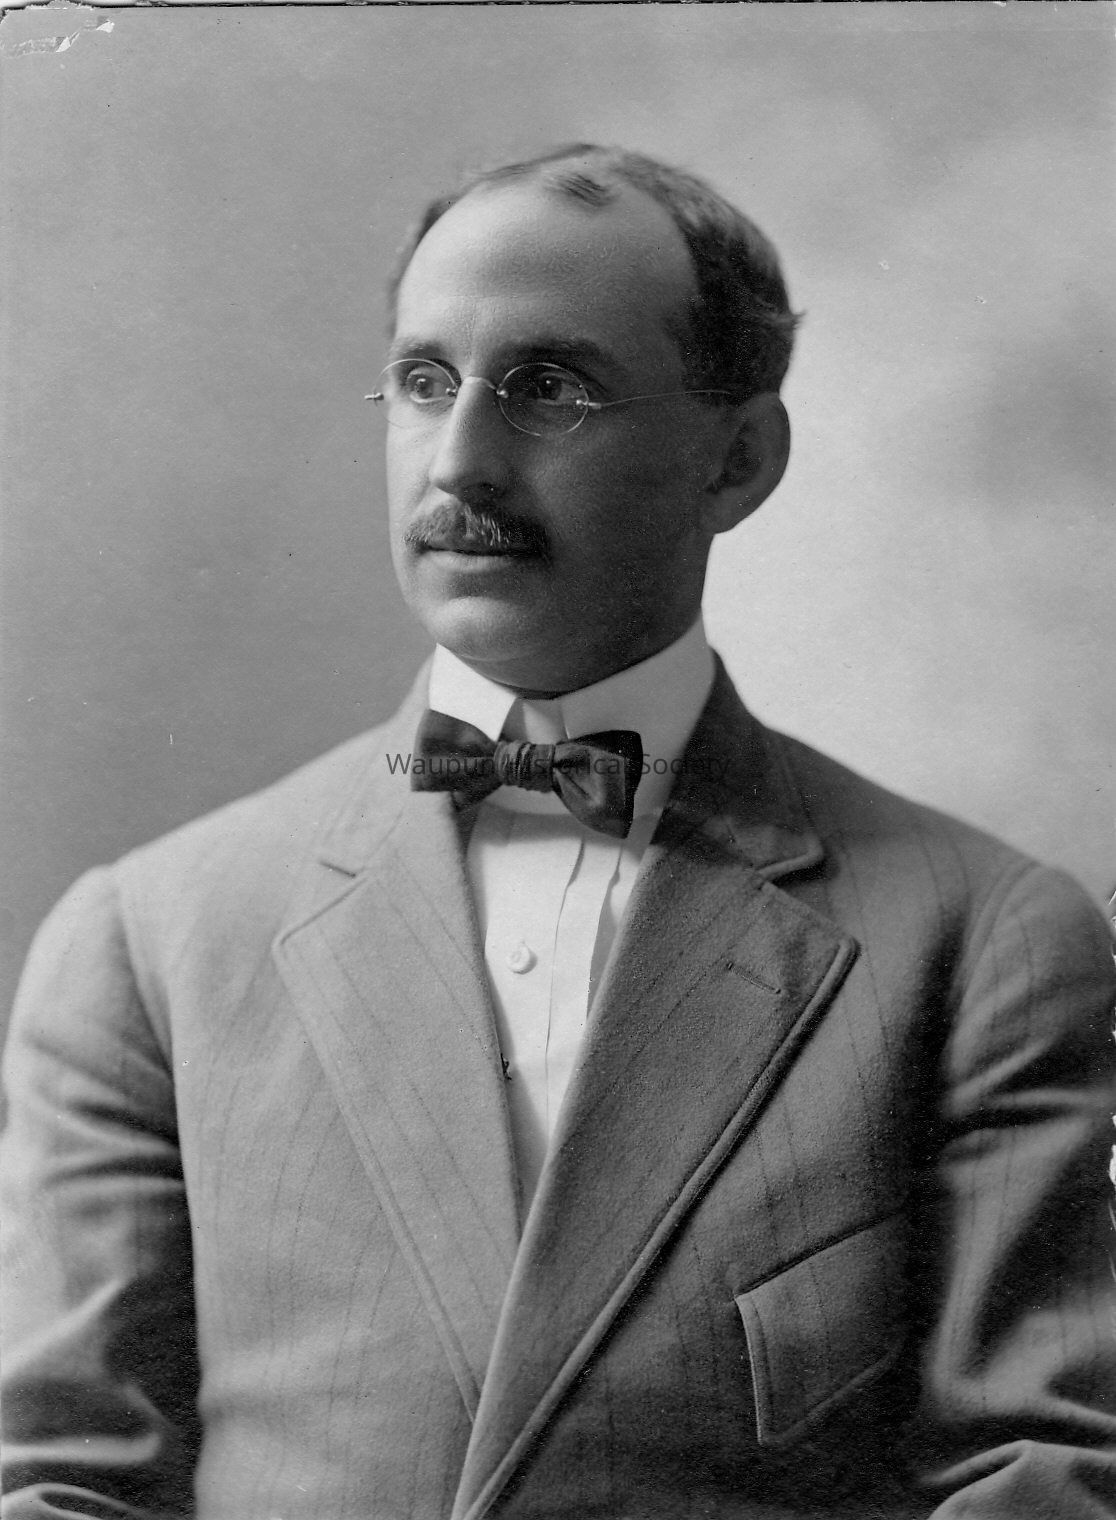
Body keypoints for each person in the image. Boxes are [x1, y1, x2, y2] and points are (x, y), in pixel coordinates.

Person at [2, 144, 1114, 1520]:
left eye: (549, 390)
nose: (461, 460)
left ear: (739, 459)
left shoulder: (983, 940)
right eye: (425, 384)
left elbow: (1043, 1479)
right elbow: (61, 1484)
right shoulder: (148, 941)